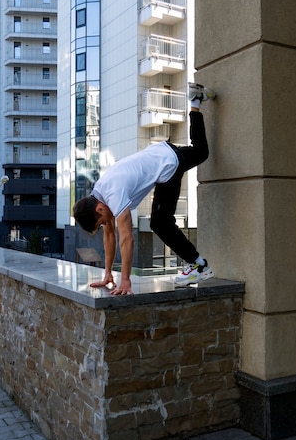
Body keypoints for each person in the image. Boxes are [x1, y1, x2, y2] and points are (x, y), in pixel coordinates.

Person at [73, 83, 216, 295]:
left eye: (102, 221)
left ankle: (199, 265)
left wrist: (125, 281)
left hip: (167, 166)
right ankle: (195, 102)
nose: (106, 224)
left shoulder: (113, 193)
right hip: (162, 151)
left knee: (160, 223)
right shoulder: (101, 192)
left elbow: (127, 238)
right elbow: (110, 237)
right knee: (201, 152)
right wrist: (108, 273)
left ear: (99, 209)